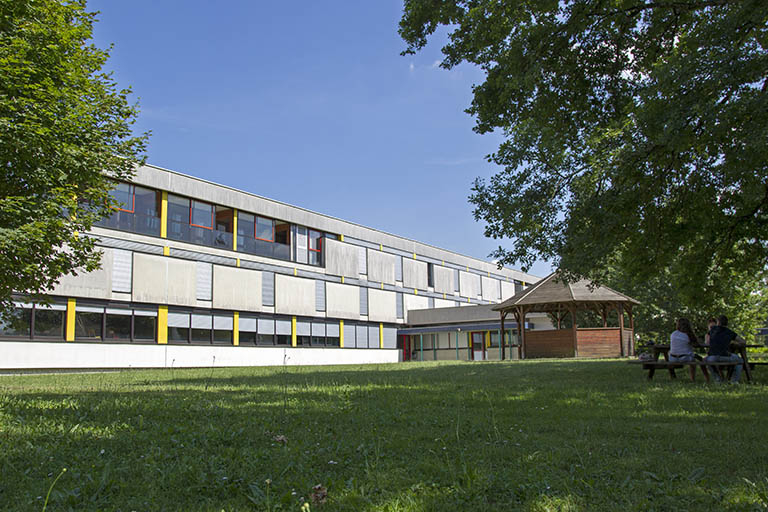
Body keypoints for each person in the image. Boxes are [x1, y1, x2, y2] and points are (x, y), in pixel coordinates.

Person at [706, 315, 746, 383]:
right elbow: (743, 341)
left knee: (706, 361)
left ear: (718, 322)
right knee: (740, 360)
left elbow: (708, 341)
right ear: (727, 323)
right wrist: (735, 343)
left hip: (712, 357)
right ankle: (734, 380)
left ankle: (717, 379)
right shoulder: (729, 332)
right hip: (725, 356)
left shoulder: (713, 330)